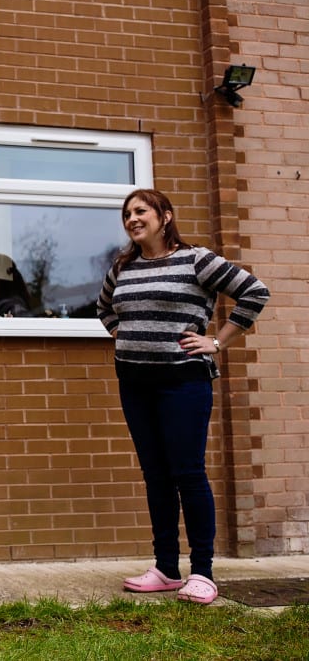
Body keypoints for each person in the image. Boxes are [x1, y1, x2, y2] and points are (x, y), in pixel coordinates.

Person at [96, 189, 270, 605]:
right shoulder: (123, 267)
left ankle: (203, 572)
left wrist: (217, 341)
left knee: (187, 473)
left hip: (183, 381)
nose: (132, 219)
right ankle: (166, 568)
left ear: (165, 216)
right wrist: (126, 337)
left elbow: (255, 292)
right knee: (155, 475)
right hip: (134, 382)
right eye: (127, 214)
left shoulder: (196, 259)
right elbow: (104, 310)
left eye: (141, 211)